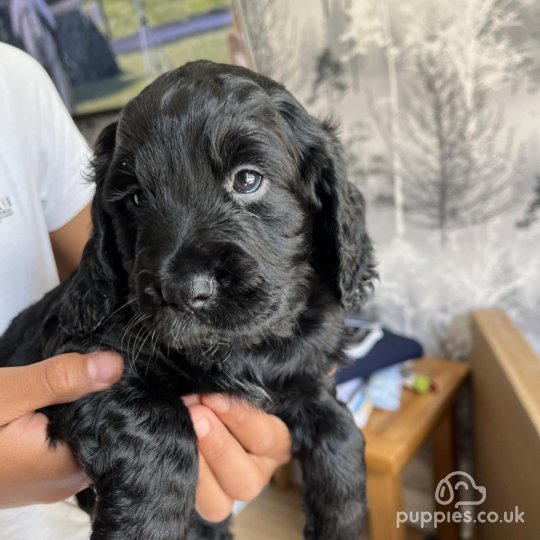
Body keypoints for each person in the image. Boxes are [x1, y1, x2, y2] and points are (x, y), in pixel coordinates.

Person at [0, 42, 291, 539]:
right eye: (140, 197)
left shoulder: (15, 81)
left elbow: (103, 289)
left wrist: (260, 386)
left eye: (245, 180)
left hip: (96, 496)